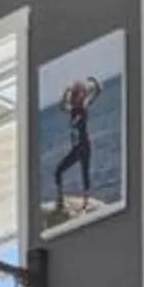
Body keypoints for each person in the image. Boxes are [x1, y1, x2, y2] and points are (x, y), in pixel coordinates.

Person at [51, 73, 100, 206]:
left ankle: (86, 201)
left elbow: (97, 92)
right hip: (76, 148)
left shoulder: (83, 107)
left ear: (82, 94)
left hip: (84, 146)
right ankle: (60, 198)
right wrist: (65, 93)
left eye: (79, 93)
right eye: (75, 94)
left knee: (85, 173)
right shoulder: (72, 109)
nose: (77, 96)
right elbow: (61, 106)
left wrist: (93, 81)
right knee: (58, 170)